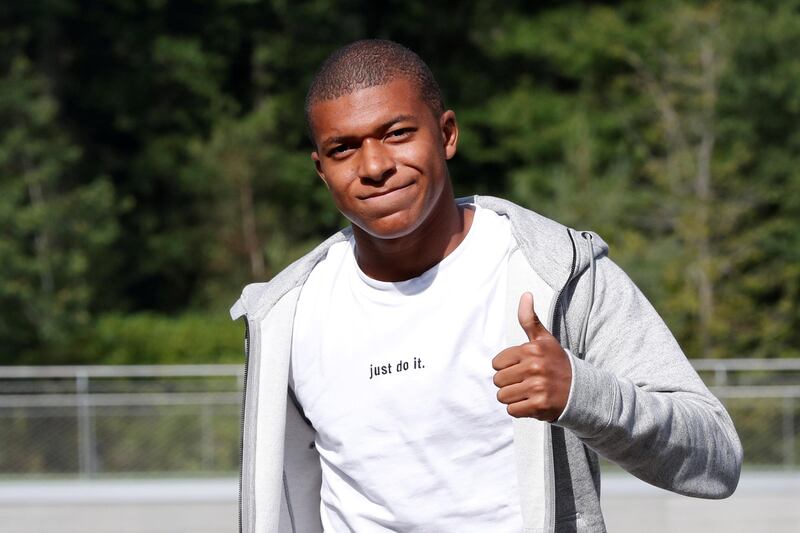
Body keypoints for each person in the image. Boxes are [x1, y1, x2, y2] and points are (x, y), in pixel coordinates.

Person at [230, 39, 742, 533]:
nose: (375, 166)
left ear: (447, 134)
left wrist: (581, 393)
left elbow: (717, 459)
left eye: (397, 133)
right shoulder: (287, 316)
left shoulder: (556, 273)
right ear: (321, 170)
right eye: (343, 149)